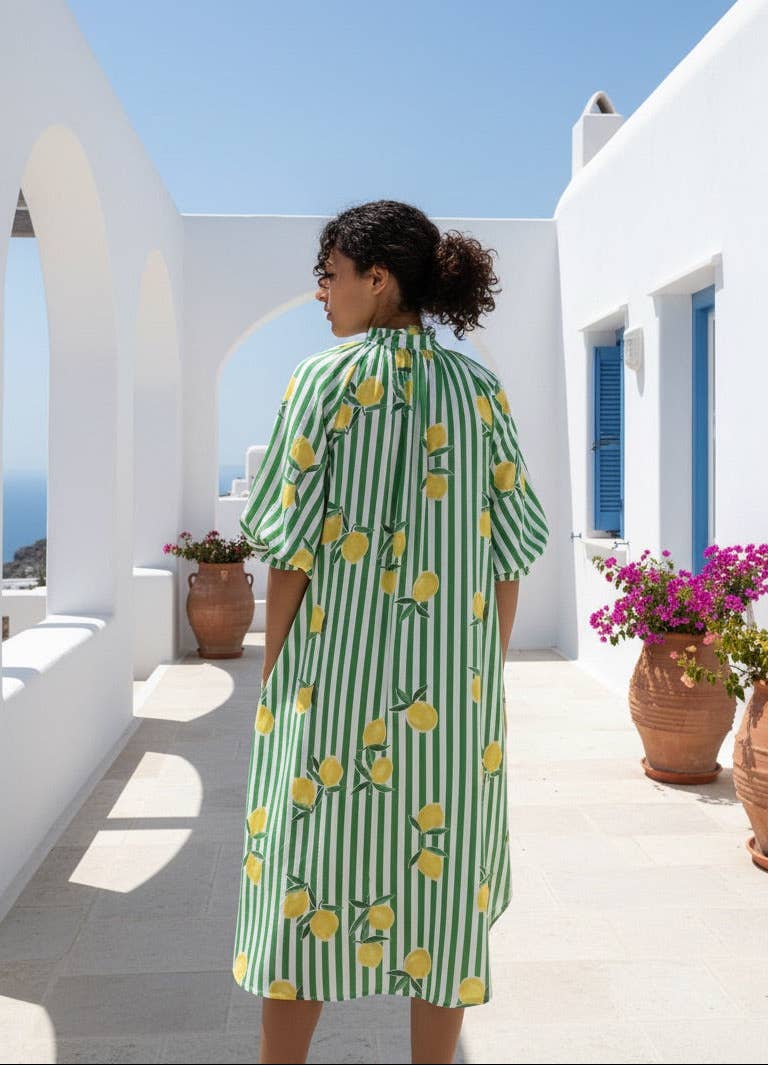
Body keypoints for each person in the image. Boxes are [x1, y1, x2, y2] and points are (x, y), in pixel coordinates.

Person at [232, 199, 550, 1064]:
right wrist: (482, 671)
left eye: (329, 274)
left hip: (330, 693)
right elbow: (513, 548)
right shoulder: (477, 390)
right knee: (440, 903)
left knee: (304, 887)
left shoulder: (320, 382)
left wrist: (274, 672)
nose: (320, 292)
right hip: (450, 703)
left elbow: (288, 551)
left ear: (377, 280)